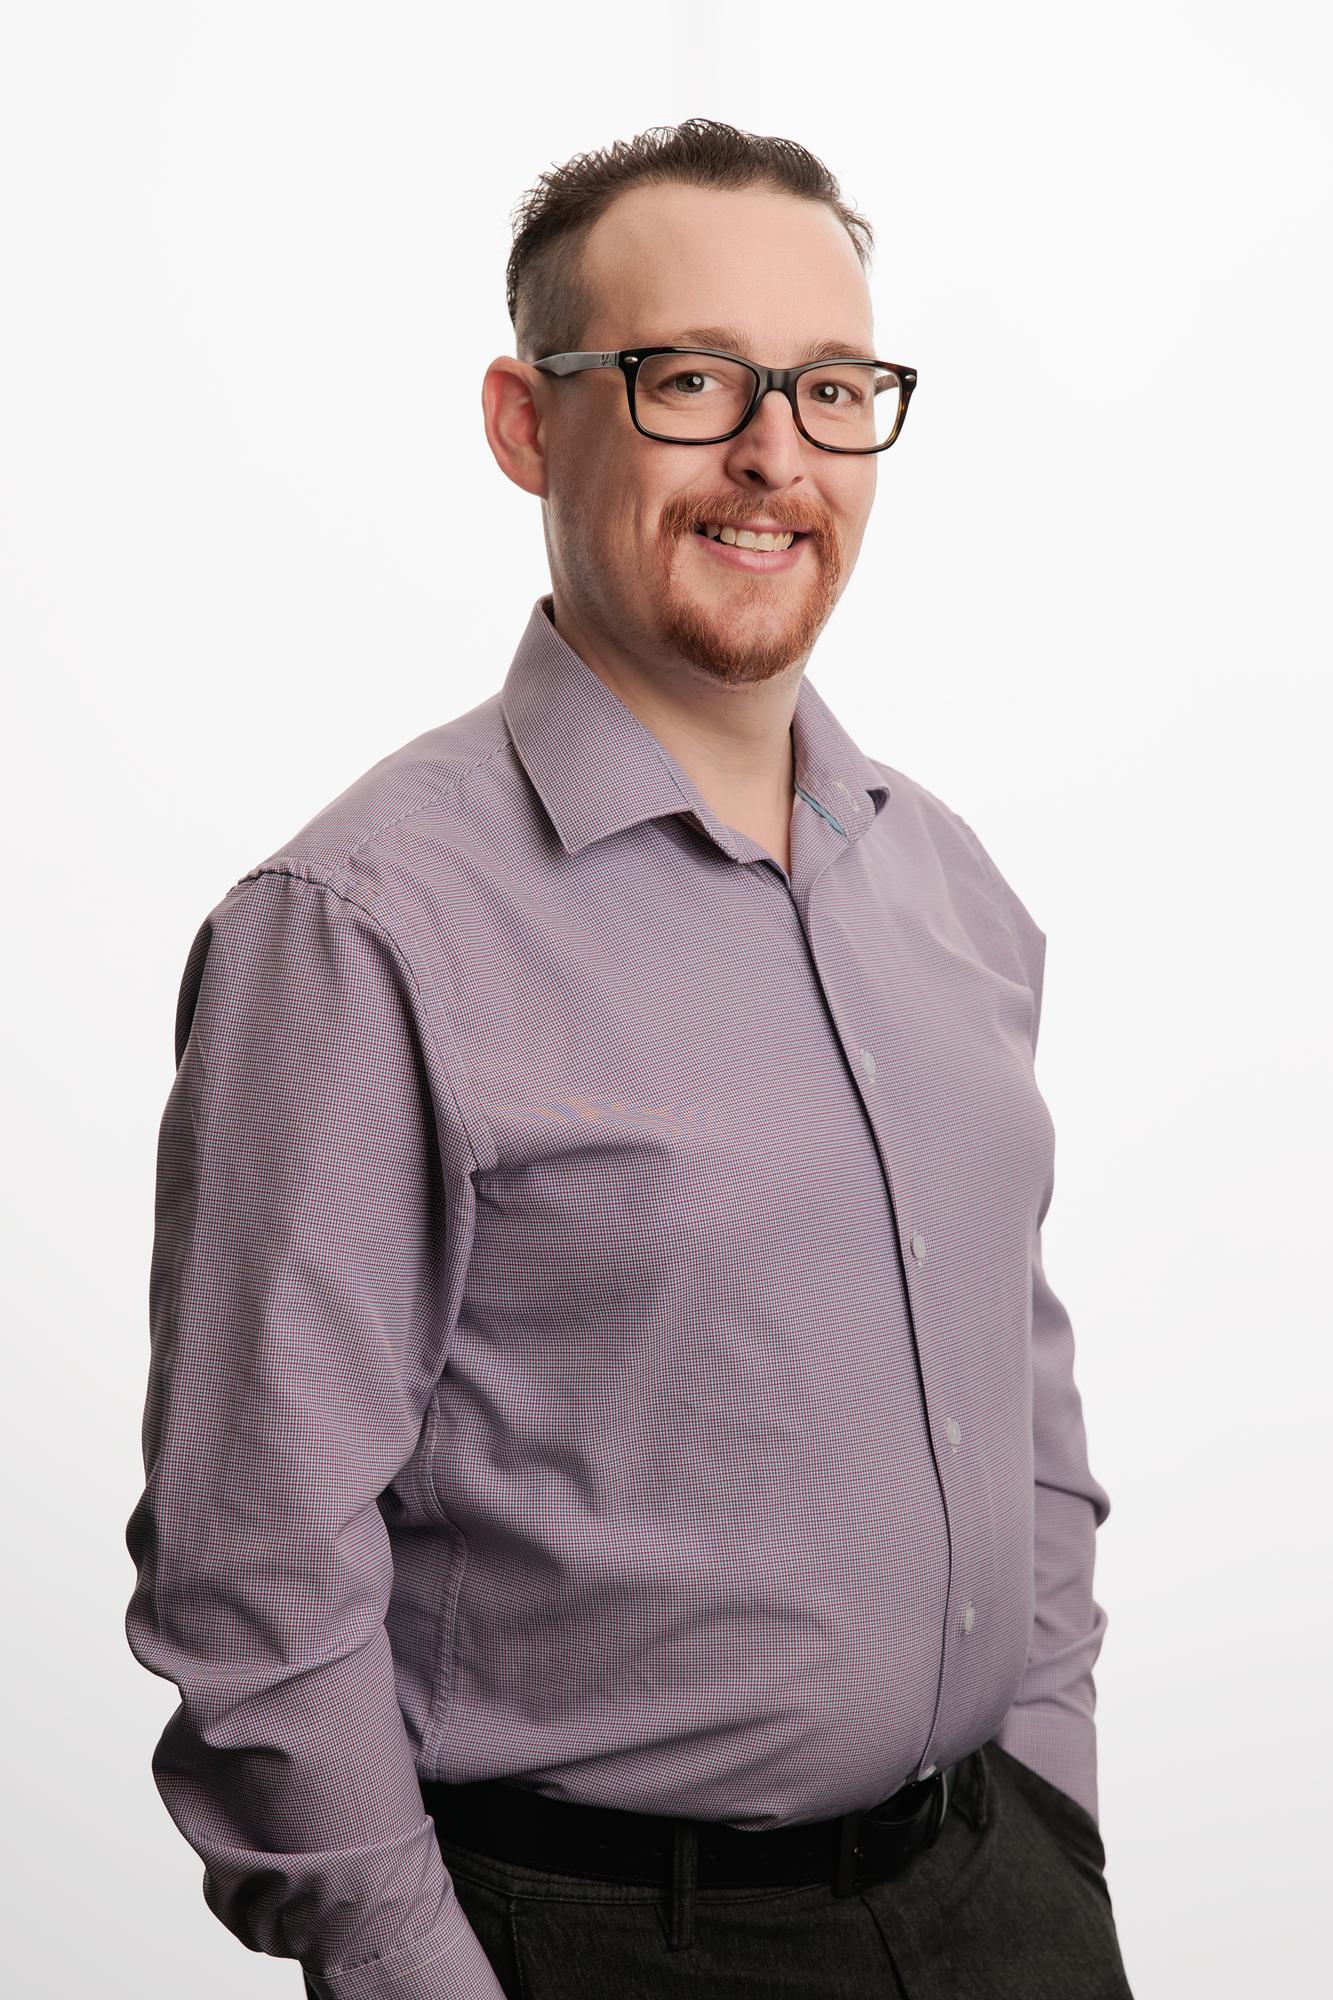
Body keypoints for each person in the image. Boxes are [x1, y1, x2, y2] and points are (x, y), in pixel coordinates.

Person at [124, 117, 1135, 1999]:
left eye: (831, 389)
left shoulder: (949, 884)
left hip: (999, 1903)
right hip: (602, 1947)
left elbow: (1025, 1414)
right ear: (527, 423)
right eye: (694, 382)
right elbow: (249, 1577)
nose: (775, 457)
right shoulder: (357, 931)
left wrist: (1049, 1820)